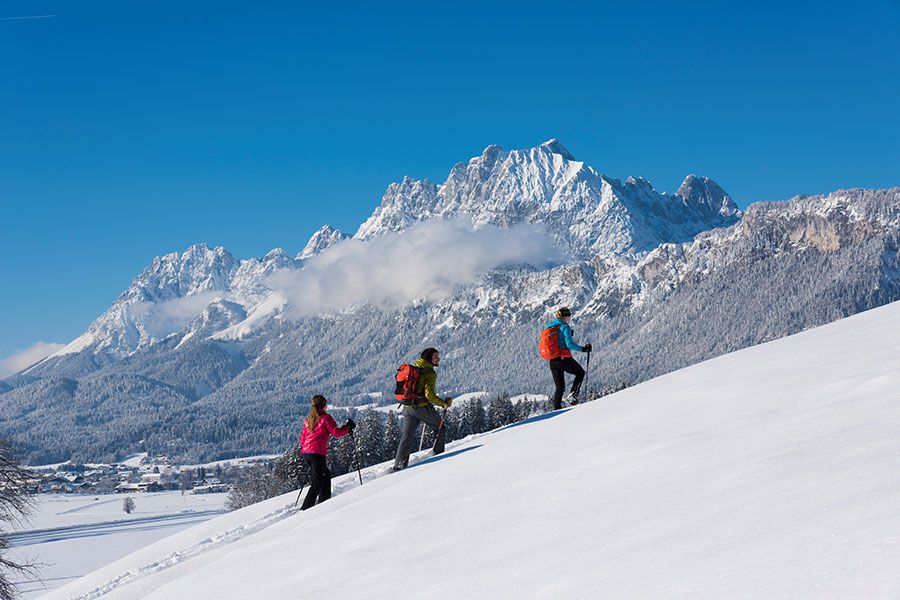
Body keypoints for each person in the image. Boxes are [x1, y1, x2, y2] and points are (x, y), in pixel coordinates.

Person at [393, 347, 453, 471]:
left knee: (407, 437)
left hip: (408, 407)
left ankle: (399, 465)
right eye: (436, 356)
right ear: (429, 358)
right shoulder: (430, 372)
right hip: (421, 408)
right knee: (440, 428)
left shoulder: (416, 367)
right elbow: (429, 395)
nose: (438, 358)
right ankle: (439, 458)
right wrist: (443, 404)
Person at [298, 395, 355, 510]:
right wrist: (348, 428)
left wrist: (308, 449)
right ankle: (305, 509)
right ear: (323, 405)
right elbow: (336, 433)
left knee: (325, 475)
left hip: (307, 453)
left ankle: (325, 502)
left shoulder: (309, 419)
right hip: (317, 454)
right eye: (326, 404)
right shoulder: (326, 418)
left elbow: (302, 439)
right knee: (316, 483)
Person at [543, 307, 592, 410]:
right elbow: (569, 344)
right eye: (569, 316)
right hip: (563, 358)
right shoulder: (565, 326)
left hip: (553, 360)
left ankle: (556, 409)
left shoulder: (551, 326)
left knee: (560, 387)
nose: (570, 318)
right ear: (566, 316)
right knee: (580, 373)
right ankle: (573, 395)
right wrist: (583, 349)